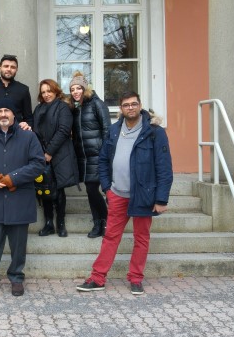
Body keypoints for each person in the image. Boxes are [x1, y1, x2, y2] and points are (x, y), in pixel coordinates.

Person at [76, 91, 173, 296]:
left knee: (141, 238)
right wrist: (107, 188)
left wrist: (161, 198)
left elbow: (164, 167)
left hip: (143, 195)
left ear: (140, 105)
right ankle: (97, 278)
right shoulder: (114, 130)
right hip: (117, 194)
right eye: (126, 105)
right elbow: (103, 160)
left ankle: (136, 279)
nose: (130, 108)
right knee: (110, 236)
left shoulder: (154, 132)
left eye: (134, 104)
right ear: (120, 109)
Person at [0, 99, 45, 297]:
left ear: (14, 115)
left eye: (7, 110)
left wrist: (13, 178)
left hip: (20, 198)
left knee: (18, 244)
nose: (3, 114)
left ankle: (16, 278)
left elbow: (38, 164)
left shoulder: (29, 137)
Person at [31, 79, 79, 237]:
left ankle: (61, 223)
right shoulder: (39, 109)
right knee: (45, 188)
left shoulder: (62, 107)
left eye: (49, 91)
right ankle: (48, 223)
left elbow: (64, 130)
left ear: (56, 91)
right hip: (42, 155)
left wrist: (49, 152)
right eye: (43, 92)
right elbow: (35, 132)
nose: (46, 94)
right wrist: (40, 152)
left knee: (58, 190)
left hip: (59, 154)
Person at [68, 71, 112, 238]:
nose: (75, 92)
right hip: (83, 157)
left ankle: (105, 220)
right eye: (72, 89)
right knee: (90, 190)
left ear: (85, 89)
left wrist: (105, 153)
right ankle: (97, 223)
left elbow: (107, 129)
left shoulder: (97, 104)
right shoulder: (76, 108)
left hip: (98, 155)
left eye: (78, 88)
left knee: (93, 189)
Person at [0, 54, 33, 126]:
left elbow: (29, 118)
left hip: (17, 131)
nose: (9, 69)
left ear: (16, 69)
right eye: (6, 66)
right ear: (0, 68)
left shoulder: (23, 89)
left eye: (13, 67)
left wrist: (26, 126)